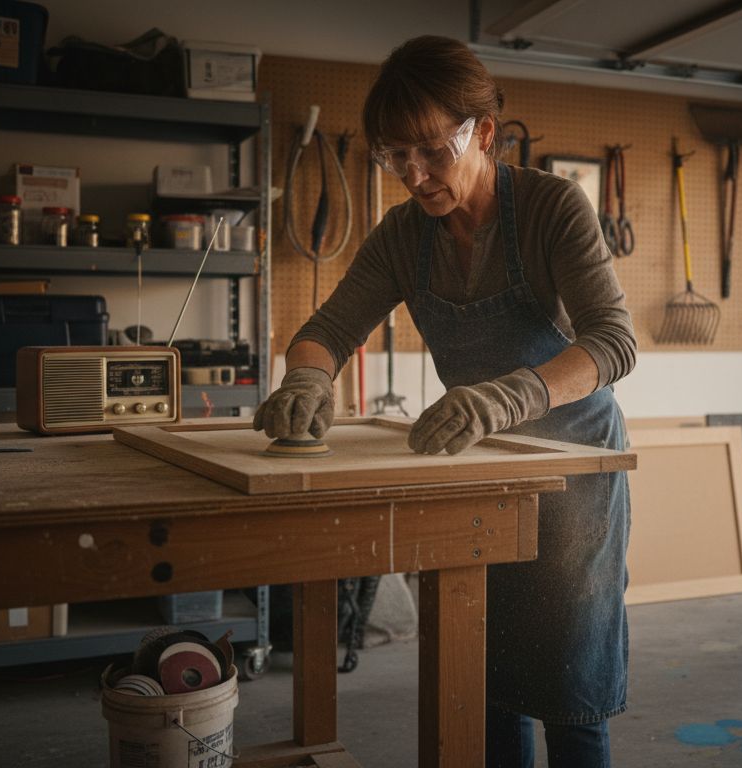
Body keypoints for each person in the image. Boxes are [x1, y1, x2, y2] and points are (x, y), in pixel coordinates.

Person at [255, 35, 636, 768]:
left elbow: (614, 342)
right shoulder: (404, 234)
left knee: (567, 683)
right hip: (478, 469)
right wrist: (307, 376)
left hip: (571, 473)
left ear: (483, 133)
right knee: (482, 674)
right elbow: (328, 329)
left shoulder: (552, 207)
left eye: (432, 150)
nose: (416, 174)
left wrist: (513, 393)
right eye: (396, 156)